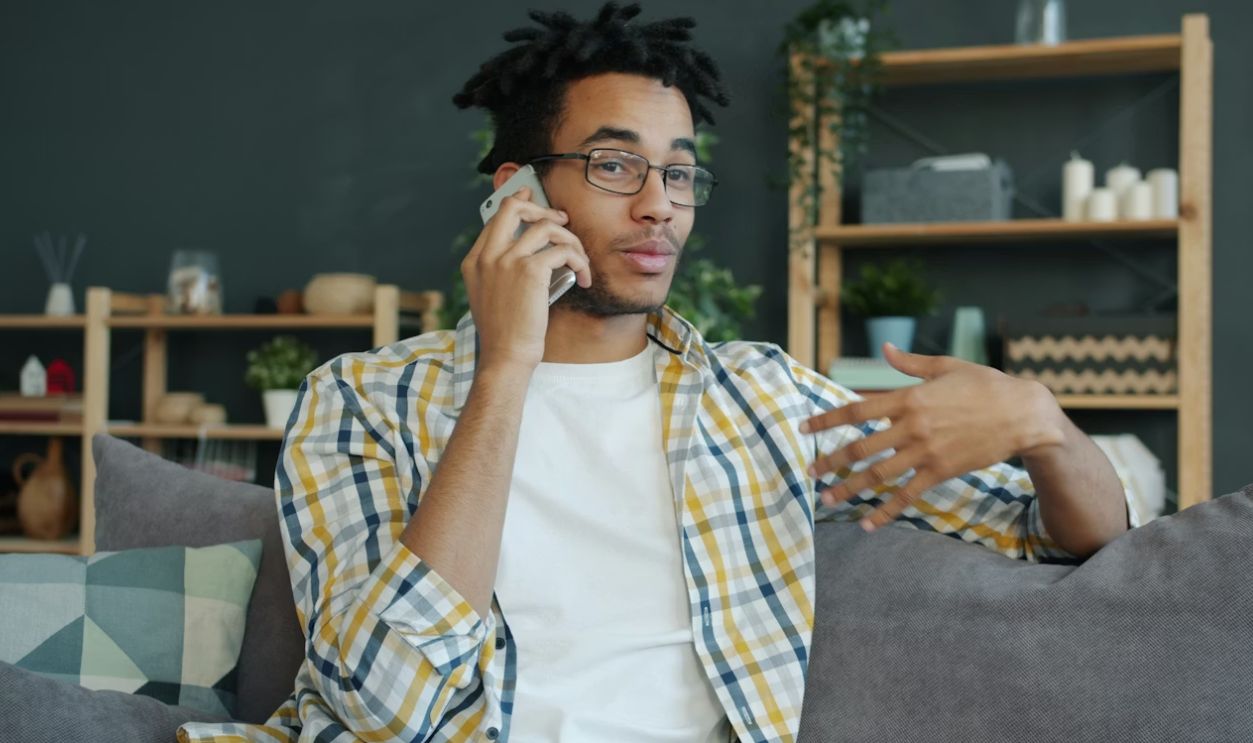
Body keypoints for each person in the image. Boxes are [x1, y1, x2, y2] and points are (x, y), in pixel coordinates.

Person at [179, 4, 1133, 742]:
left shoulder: (761, 399)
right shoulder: (360, 400)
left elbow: (1068, 534)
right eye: (611, 166)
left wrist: (1042, 421)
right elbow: (386, 708)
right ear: (514, 190)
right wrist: (506, 364)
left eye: (678, 173)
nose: (658, 207)